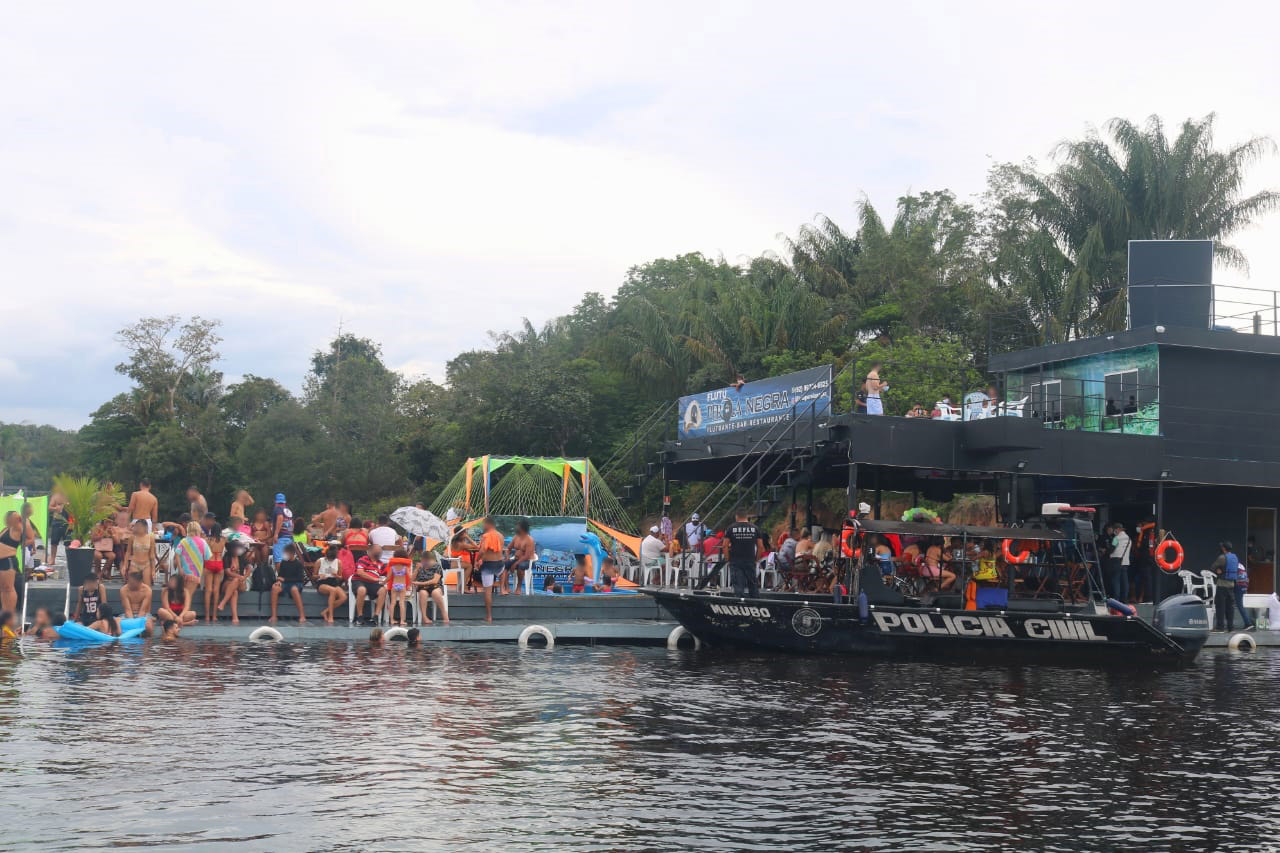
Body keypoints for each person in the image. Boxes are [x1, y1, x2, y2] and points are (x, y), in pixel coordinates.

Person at [722, 509, 765, 597]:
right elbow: (760, 547)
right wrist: (756, 560)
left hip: (735, 560)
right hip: (750, 560)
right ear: (746, 517)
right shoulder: (755, 528)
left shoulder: (731, 528)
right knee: (752, 584)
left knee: (738, 585)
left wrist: (727, 559)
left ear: (736, 516)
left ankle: (740, 604)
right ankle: (756, 605)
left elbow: (725, 545)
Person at [174, 521, 210, 618]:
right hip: (195, 573)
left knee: (181, 594)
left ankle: (178, 615)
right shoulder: (203, 542)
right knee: (188, 596)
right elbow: (208, 557)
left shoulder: (184, 541)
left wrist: (180, 567)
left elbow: (177, 553)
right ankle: (184, 617)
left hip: (182, 572)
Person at [476, 517, 505, 623]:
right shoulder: (501, 536)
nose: (483, 526)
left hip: (488, 566)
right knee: (503, 570)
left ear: (488, 525)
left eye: (484, 524)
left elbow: (483, 550)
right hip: (499, 565)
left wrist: (477, 560)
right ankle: (502, 588)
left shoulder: (485, 536)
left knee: (487, 592)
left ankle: (489, 616)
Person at [270, 542, 308, 623]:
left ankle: (302, 615)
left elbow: (300, 579)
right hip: (285, 583)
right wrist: (279, 581)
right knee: (275, 587)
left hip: (296, 583)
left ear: (291, 553)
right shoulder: (283, 562)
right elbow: (280, 575)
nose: (284, 554)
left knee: (294, 589)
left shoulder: (298, 564)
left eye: (286, 553)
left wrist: (285, 580)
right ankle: (274, 615)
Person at [313, 544, 349, 624]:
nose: (330, 561)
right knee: (332, 590)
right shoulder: (320, 561)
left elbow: (340, 577)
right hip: (322, 582)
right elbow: (313, 576)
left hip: (333, 581)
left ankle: (325, 611)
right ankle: (330, 616)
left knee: (343, 597)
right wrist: (319, 575)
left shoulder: (338, 562)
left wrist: (337, 576)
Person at [352, 544, 387, 625]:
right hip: (359, 581)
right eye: (377, 550)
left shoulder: (381, 564)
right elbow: (360, 572)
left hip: (373, 584)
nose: (379, 552)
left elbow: (387, 575)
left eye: (380, 551)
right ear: (371, 551)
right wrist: (374, 579)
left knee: (383, 590)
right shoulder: (363, 559)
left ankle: (376, 616)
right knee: (362, 590)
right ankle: (360, 616)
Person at [1211, 541, 1242, 632]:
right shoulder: (1235, 558)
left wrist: (1218, 570)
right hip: (1232, 585)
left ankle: (1220, 627)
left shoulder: (1222, 557)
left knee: (1220, 606)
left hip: (1222, 585)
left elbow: (1213, 567)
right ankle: (1230, 627)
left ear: (1223, 548)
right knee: (1230, 607)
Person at [0, 510, 27, 613]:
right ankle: (4, 613)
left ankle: (9, 615)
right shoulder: (6, 529)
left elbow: (22, 518)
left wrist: (17, 516)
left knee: (8, 588)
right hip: (2, 561)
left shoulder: (17, 528)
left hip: (8, 560)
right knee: (3, 589)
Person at [216, 541, 249, 624]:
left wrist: (244, 577)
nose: (238, 550)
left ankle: (223, 602)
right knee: (234, 592)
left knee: (236, 580)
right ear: (232, 549)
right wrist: (238, 576)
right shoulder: (227, 557)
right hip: (228, 581)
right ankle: (235, 617)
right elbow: (227, 572)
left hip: (240, 582)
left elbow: (249, 568)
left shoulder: (241, 557)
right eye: (236, 548)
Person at [413, 552, 449, 625]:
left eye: (425, 560)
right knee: (422, 593)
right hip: (423, 588)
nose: (424, 562)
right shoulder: (420, 566)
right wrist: (416, 570)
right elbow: (412, 580)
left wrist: (420, 583)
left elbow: (435, 581)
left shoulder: (436, 566)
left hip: (435, 586)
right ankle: (424, 617)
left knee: (435, 593)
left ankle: (444, 614)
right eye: (422, 560)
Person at [120, 519, 158, 589]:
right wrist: (125, 565)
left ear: (145, 528)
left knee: (147, 587)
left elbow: (152, 555)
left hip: (146, 564)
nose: (137, 528)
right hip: (135, 563)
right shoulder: (132, 537)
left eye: (139, 527)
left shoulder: (150, 538)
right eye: (136, 526)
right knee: (132, 586)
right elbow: (128, 552)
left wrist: (153, 570)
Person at [503, 518, 536, 595]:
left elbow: (527, 556)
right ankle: (507, 586)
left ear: (522, 528)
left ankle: (519, 587)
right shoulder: (516, 537)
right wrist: (507, 557)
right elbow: (508, 549)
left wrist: (515, 564)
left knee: (521, 566)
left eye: (517, 526)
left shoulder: (529, 540)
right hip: (516, 559)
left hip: (528, 561)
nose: (516, 527)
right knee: (504, 565)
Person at [202, 523, 226, 622]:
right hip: (219, 563)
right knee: (216, 591)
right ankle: (215, 616)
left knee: (208, 591)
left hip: (210, 562)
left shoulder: (208, 540)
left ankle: (207, 616)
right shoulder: (223, 539)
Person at [384, 548, 412, 627]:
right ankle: (402, 621)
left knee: (392, 603)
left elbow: (388, 578)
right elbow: (409, 578)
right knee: (401, 603)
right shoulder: (405, 567)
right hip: (402, 586)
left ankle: (392, 620)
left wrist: (383, 582)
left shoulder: (393, 567)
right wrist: (410, 584)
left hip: (394, 585)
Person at [47, 489, 69, 570]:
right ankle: (52, 559)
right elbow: (49, 507)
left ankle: (69, 559)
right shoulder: (56, 496)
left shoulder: (70, 495)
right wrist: (56, 508)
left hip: (68, 521)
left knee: (68, 543)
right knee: (54, 541)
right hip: (57, 521)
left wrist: (67, 505)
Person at [270, 493, 295, 565]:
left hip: (281, 537)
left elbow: (280, 518)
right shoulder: (288, 510)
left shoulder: (278, 508)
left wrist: (276, 534)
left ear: (275, 501)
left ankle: (281, 574)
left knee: (278, 559)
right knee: (288, 557)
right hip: (289, 536)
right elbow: (291, 523)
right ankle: (288, 574)